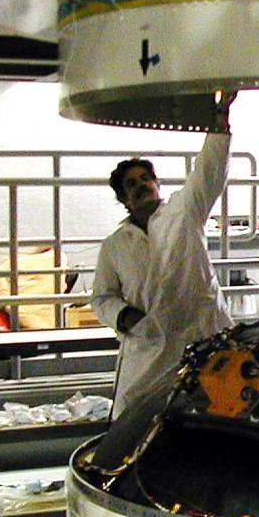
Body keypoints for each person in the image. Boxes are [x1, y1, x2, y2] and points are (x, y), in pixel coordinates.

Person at [91, 96, 237, 418]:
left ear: (157, 184)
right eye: (131, 184)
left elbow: (210, 170)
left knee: (218, 418)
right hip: (150, 347)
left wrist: (220, 119)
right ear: (124, 199)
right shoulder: (114, 246)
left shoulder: (184, 212)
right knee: (133, 419)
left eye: (145, 179)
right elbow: (102, 297)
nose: (141, 185)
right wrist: (125, 316)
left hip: (203, 338)